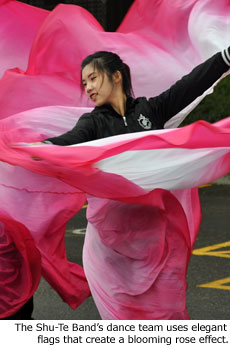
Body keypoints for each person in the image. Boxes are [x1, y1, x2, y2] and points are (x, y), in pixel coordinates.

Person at [37, 49, 230, 319]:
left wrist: (225, 58)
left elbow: (191, 84)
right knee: (124, 322)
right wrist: (44, 147)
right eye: (84, 83)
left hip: (155, 239)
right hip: (110, 247)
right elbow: (71, 139)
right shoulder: (92, 123)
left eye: (93, 78)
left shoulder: (150, 111)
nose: (88, 88)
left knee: (168, 315)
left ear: (116, 76)